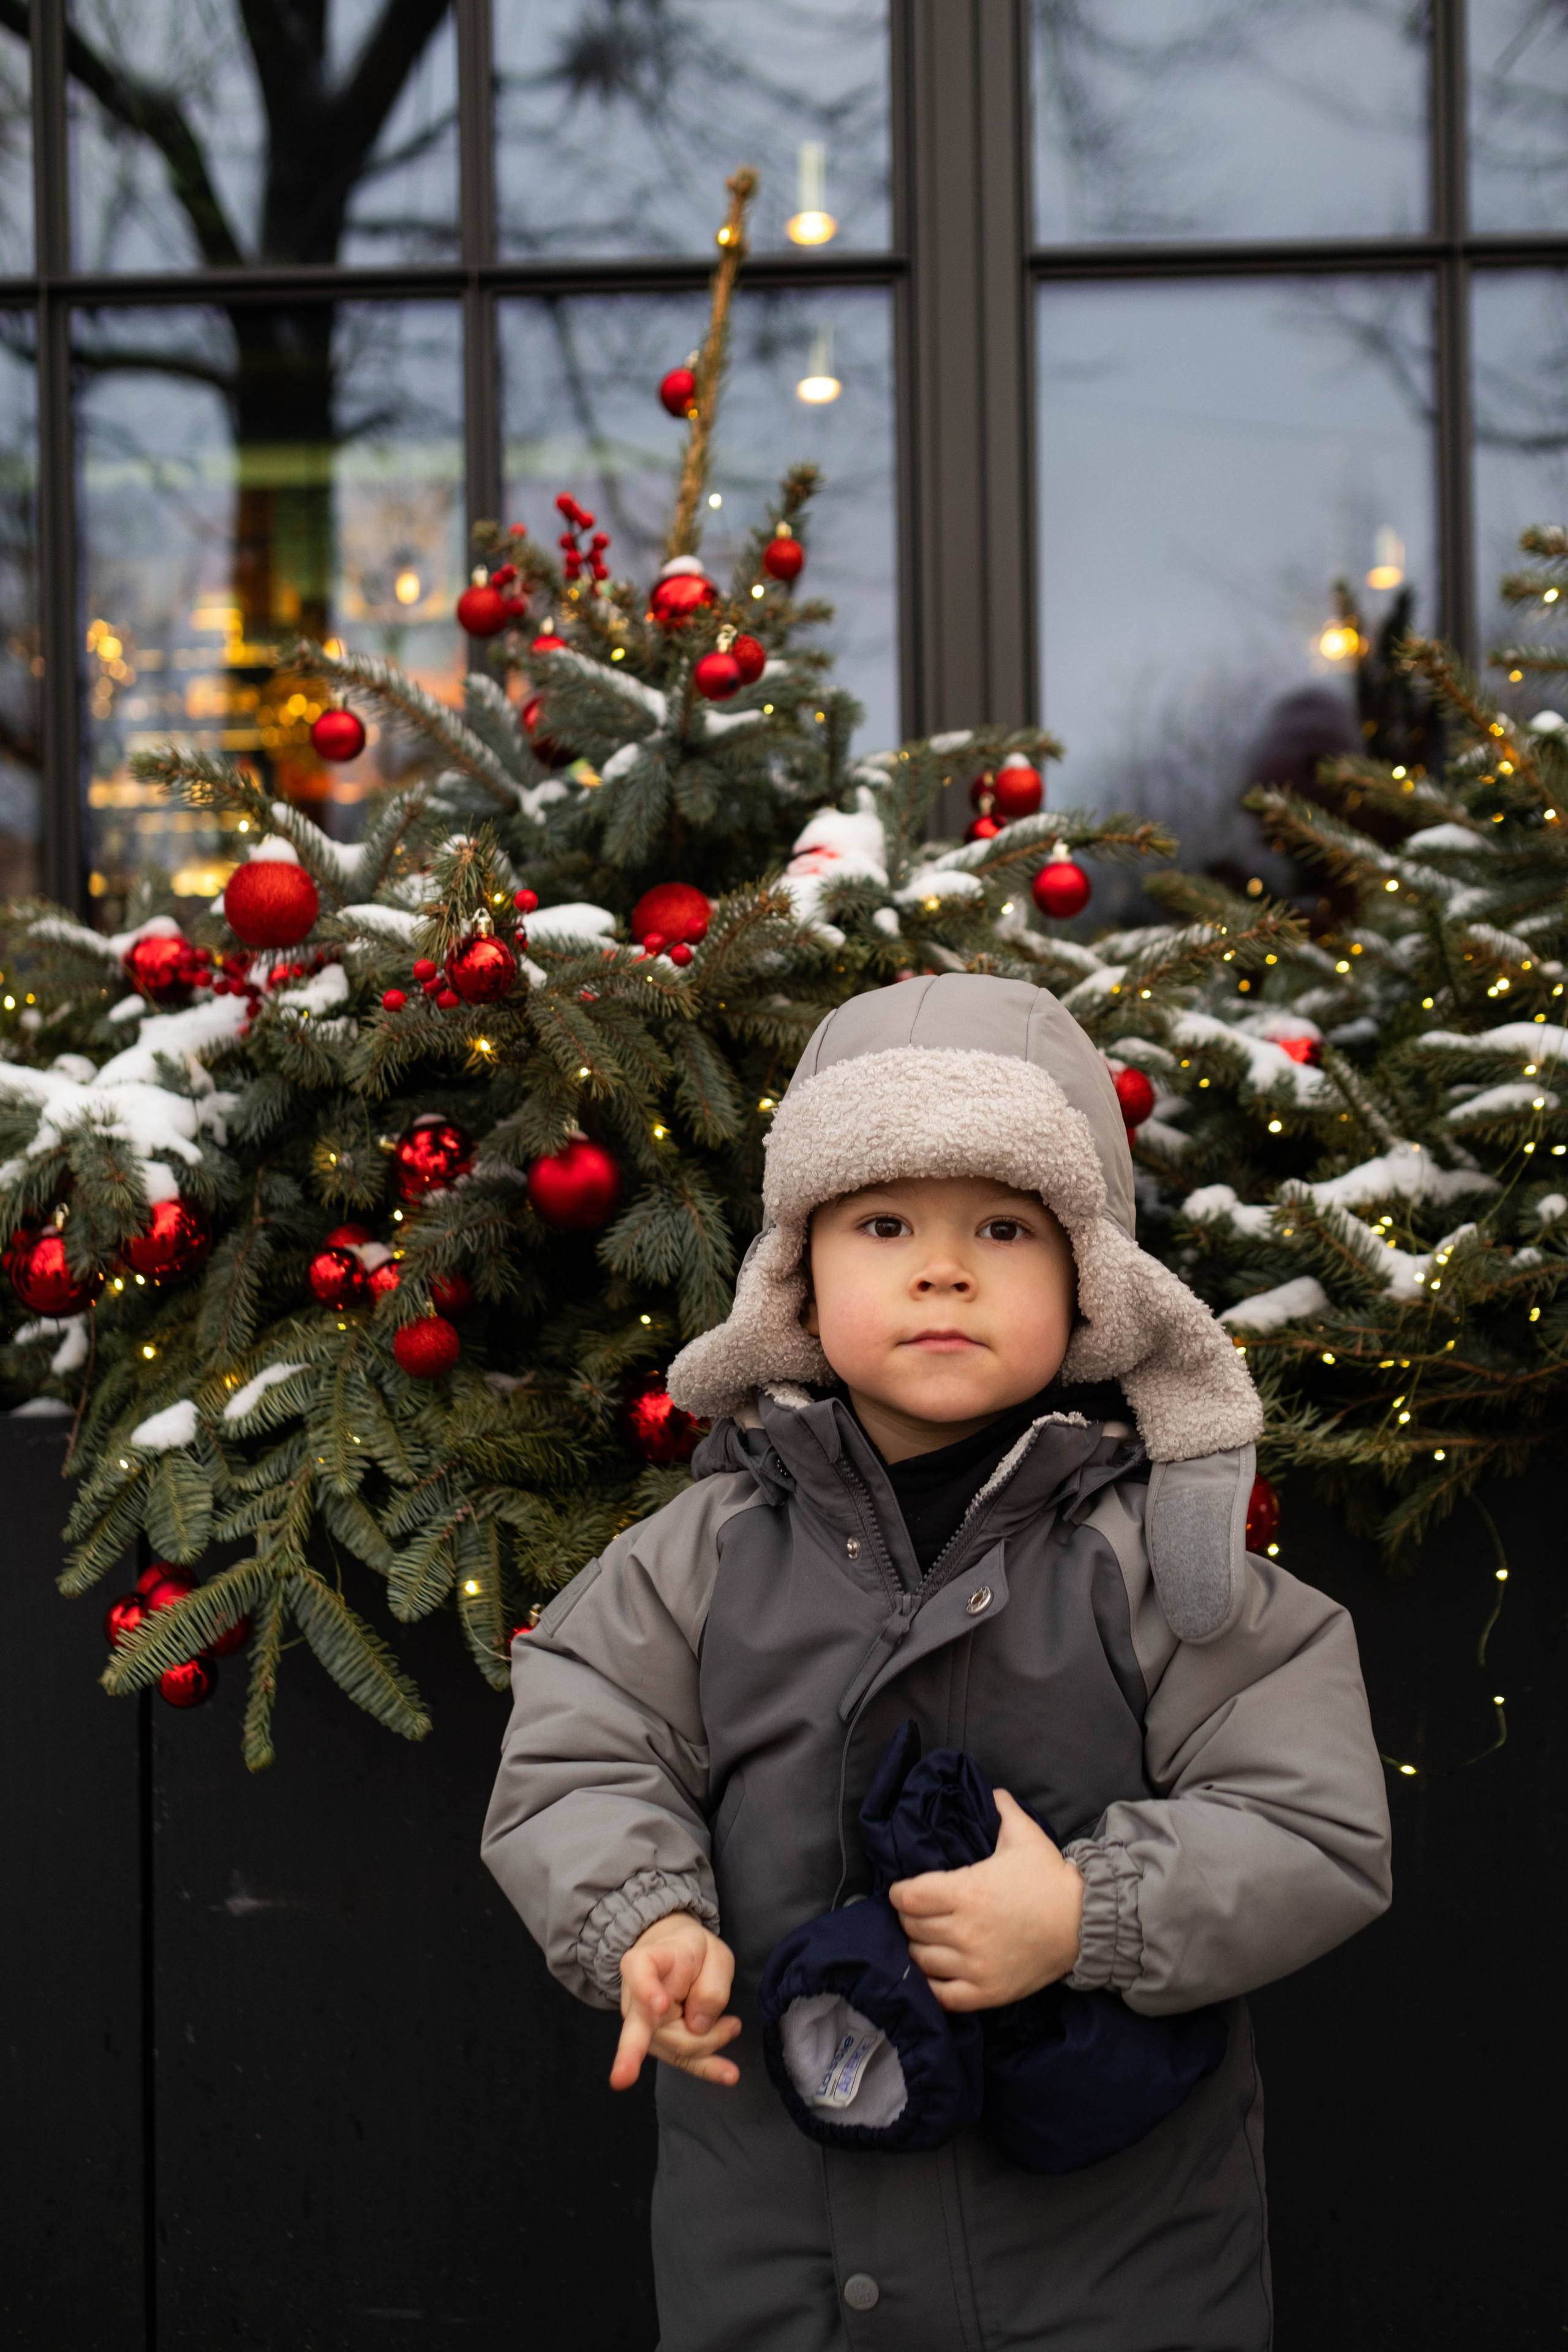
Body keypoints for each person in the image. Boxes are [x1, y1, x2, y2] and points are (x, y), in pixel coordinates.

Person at [481, 973, 1392, 2351]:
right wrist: (644, 1918)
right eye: (885, 1222)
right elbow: (582, 1734)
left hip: (1099, 2258)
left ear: (1090, 1279)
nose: (940, 1267)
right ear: (797, 1274)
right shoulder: (707, 1550)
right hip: (777, 2250)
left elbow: (1311, 1819)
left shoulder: (1152, 1562)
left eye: (1004, 1227)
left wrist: (1085, 1913)